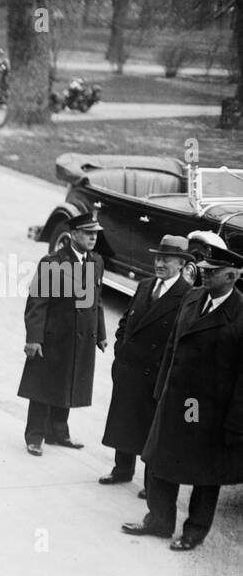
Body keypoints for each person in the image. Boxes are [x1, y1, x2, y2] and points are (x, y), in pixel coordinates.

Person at [123, 251, 243, 550]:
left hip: (211, 410)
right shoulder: (192, 299)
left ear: (232, 275)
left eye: (212, 271)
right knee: (162, 460)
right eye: (203, 268)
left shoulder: (240, 313)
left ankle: (194, 531)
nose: (204, 273)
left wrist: (236, 422)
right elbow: (171, 349)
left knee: (205, 473)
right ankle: (159, 521)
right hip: (176, 398)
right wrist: (161, 390)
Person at [98, 235, 193, 486]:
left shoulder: (187, 296)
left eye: (167, 259)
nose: (160, 263)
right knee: (124, 421)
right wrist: (121, 349)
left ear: (182, 264)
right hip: (130, 368)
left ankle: (151, 483)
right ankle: (122, 470)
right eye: (158, 258)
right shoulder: (145, 285)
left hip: (156, 373)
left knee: (152, 429)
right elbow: (126, 322)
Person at [17, 207, 106, 456]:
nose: (93, 238)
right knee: (43, 387)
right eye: (88, 234)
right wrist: (34, 338)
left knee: (68, 383)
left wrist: (100, 333)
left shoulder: (95, 262)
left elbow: (94, 300)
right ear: (74, 234)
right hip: (54, 336)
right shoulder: (54, 262)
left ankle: (59, 432)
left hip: (79, 336)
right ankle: (35, 436)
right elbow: (37, 303)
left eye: (95, 234)